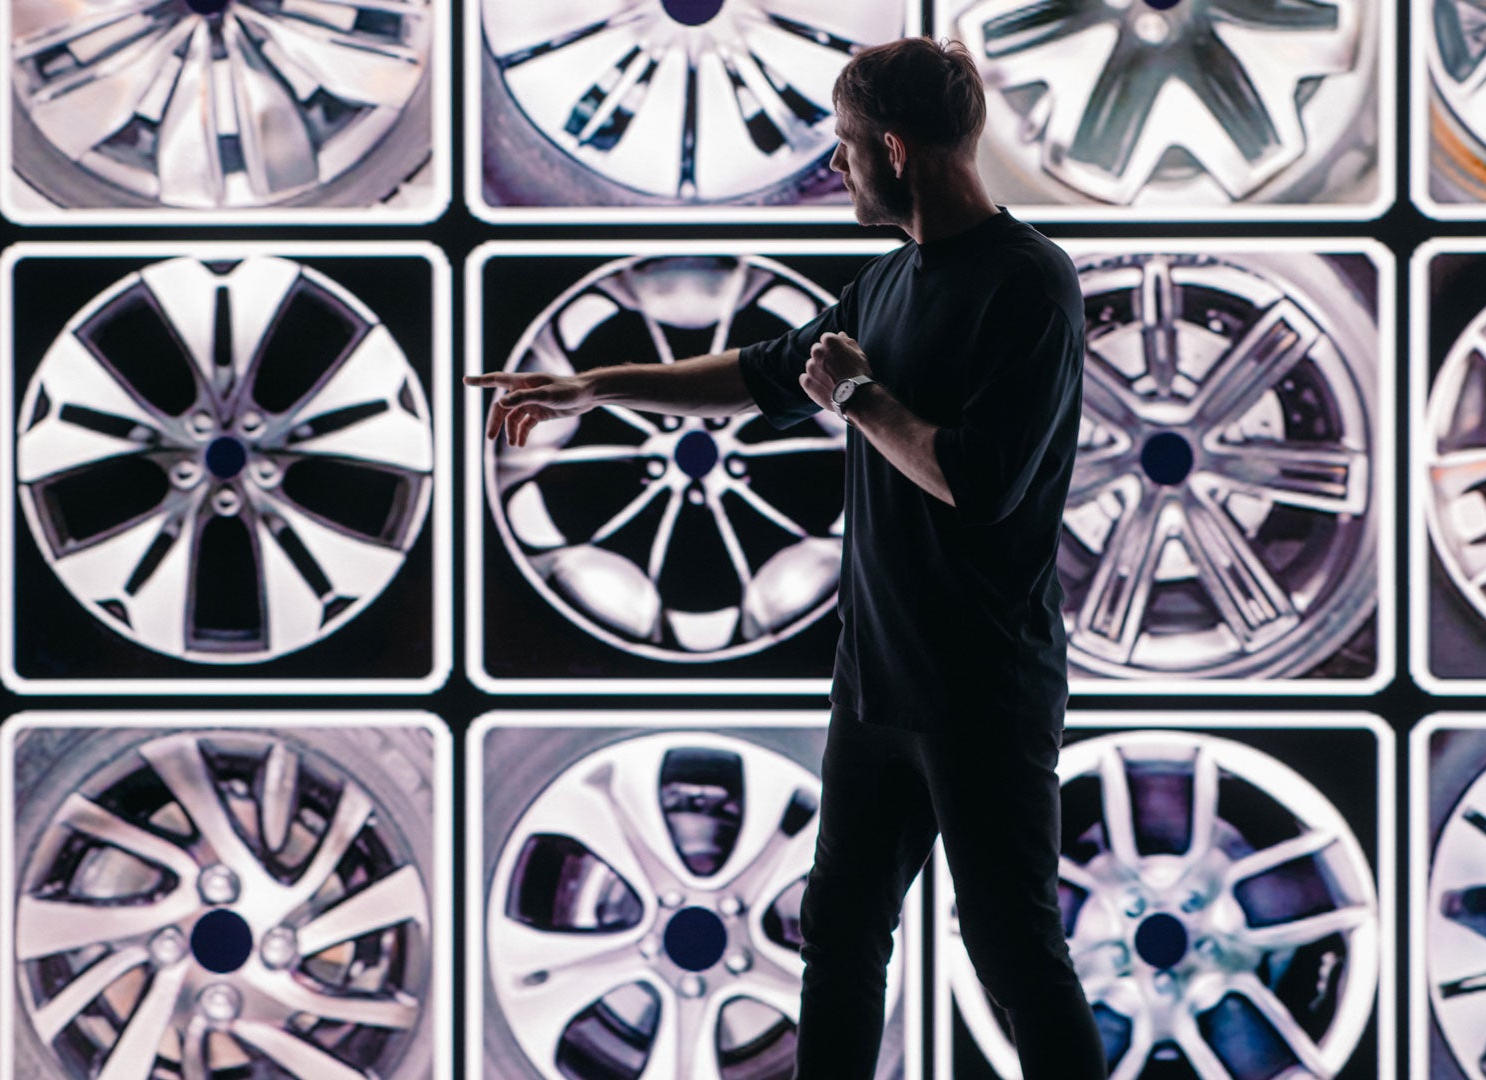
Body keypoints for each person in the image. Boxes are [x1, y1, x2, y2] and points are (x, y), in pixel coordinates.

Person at [466, 36, 1108, 1080]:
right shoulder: (886, 282)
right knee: (840, 934)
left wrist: (859, 399)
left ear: (894, 149)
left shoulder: (1029, 285)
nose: (837, 170)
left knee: (1013, 954)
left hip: (982, 690)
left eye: (847, 149)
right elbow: (763, 373)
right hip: (876, 686)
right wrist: (596, 387)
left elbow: (978, 483)